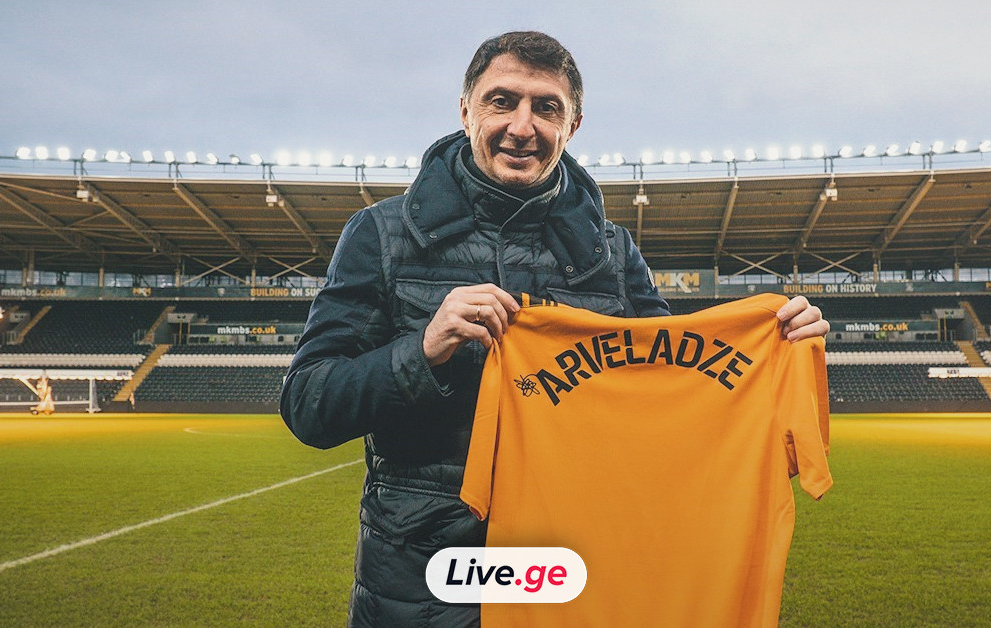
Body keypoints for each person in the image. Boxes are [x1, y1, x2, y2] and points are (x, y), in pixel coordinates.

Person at [280, 30, 829, 627]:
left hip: (567, 569)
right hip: (422, 581)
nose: (523, 127)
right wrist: (423, 350)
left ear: (573, 125)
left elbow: (680, 394)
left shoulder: (611, 255)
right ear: (465, 109)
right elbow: (308, 404)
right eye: (501, 101)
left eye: (546, 107)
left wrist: (775, 350)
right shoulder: (383, 235)